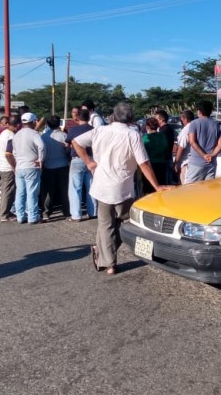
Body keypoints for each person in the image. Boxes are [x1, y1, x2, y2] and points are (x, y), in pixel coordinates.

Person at [72, 102, 169, 275]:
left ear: (113, 116)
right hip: (123, 188)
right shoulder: (133, 135)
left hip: (102, 186)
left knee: (106, 225)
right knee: (124, 221)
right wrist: (157, 186)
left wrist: (89, 162)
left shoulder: (100, 130)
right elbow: (143, 163)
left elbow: (76, 142)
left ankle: (108, 262)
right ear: (131, 118)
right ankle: (106, 257)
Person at [12, 112, 45, 224]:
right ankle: (33, 217)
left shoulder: (16, 135)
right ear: (33, 122)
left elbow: (14, 152)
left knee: (20, 192)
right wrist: (40, 159)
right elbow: (41, 146)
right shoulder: (34, 134)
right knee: (32, 193)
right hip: (31, 166)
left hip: (19, 167)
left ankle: (20, 216)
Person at [66, 108, 96, 221]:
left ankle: (76, 215)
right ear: (89, 118)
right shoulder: (94, 129)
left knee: (75, 188)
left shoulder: (73, 130)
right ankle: (93, 212)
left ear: (78, 117)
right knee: (91, 187)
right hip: (92, 160)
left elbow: (67, 143)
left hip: (77, 159)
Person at [39, 115, 70, 221]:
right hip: (63, 165)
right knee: (64, 190)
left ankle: (46, 212)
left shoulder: (43, 137)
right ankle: (66, 211)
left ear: (47, 124)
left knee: (48, 191)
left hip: (48, 166)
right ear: (58, 124)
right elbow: (68, 151)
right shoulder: (64, 136)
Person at [185, 100, 221, 184]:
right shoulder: (216, 124)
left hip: (196, 162)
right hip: (211, 163)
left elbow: (192, 142)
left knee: (189, 190)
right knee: (208, 191)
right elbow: (220, 144)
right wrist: (212, 155)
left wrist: (204, 155)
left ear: (199, 111)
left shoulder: (194, 123)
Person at [0, 116, 18, 222]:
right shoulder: (10, 136)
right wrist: (14, 166)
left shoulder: (4, 133)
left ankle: (7, 212)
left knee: (9, 190)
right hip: (8, 167)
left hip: (4, 166)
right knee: (8, 191)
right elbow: (8, 154)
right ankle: (4, 215)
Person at [141, 117, 168, 195]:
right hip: (161, 164)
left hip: (149, 166)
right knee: (161, 188)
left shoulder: (145, 138)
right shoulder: (162, 136)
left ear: (147, 127)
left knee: (148, 190)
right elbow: (166, 149)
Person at [173, 110, 195, 184]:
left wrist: (176, 163)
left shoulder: (186, 130)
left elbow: (181, 148)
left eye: (181, 119)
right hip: (196, 161)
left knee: (185, 188)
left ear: (185, 119)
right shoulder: (196, 126)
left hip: (186, 163)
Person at [155, 109, 176, 184]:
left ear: (161, 119)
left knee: (166, 182)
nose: (155, 121)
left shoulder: (164, 130)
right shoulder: (168, 128)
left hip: (165, 159)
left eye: (156, 119)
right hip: (168, 158)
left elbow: (163, 145)